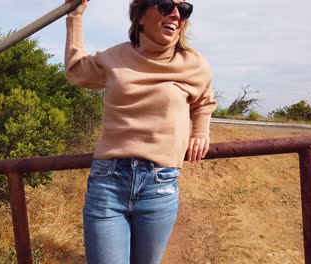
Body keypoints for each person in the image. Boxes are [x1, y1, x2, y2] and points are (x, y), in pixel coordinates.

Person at [63, 0, 216, 263]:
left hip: (159, 186)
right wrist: (74, 17)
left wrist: (200, 132)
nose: (176, 14)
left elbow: (204, 101)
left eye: (184, 9)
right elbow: (77, 72)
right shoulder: (116, 57)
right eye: (166, 6)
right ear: (141, 16)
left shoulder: (194, 64)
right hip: (108, 182)